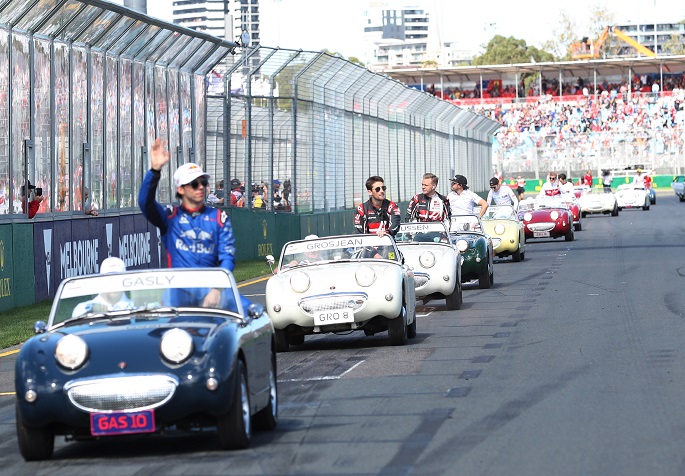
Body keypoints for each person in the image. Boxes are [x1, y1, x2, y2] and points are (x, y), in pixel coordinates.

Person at [138, 138, 249, 310]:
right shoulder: (170, 217)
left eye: (203, 183)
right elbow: (145, 203)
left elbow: (227, 258)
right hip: (178, 290)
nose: (200, 187)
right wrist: (154, 171)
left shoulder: (220, 217)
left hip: (212, 287)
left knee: (252, 314)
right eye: (194, 184)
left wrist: (216, 290)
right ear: (180, 189)